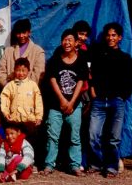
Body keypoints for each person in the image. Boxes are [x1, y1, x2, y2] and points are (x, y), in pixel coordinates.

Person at [88, 22, 132, 178]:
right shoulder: (99, 55)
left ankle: (111, 168)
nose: (110, 38)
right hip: (99, 101)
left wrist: (122, 95)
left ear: (120, 37)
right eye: (108, 35)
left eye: (114, 35)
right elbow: (91, 74)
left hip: (117, 101)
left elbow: (130, 81)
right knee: (94, 135)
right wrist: (93, 91)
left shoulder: (126, 58)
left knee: (114, 137)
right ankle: (96, 163)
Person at [42, 29, 89, 177]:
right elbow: (52, 80)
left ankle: (74, 165)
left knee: (75, 137)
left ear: (76, 43)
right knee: (52, 136)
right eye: (64, 39)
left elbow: (81, 82)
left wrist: (72, 102)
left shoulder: (81, 61)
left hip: (74, 105)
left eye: (70, 40)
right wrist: (62, 100)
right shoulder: (55, 59)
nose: (67, 42)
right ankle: (49, 165)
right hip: (56, 105)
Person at [0, 57, 43, 149]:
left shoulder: (32, 85)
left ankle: (31, 160)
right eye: (18, 70)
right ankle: (17, 159)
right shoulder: (10, 85)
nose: (21, 73)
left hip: (29, 120)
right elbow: (4, 99)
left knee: (31, 143)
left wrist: (39, 116)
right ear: (14, 70)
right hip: (15, 120)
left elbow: (38, 101)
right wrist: (6, 112)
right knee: (16, 143)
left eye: (23, 70)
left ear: (28, 71)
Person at [0, 19, 45, 88]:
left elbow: (38, 75)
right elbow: (1, 73)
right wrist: (10, 88)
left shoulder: (38, 51)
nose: (21, 36)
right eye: (19, 33)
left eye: (24, 32)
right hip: (10, 93)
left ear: (29, 33)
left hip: (29, 94)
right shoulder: (8, 51)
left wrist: (23, 90)